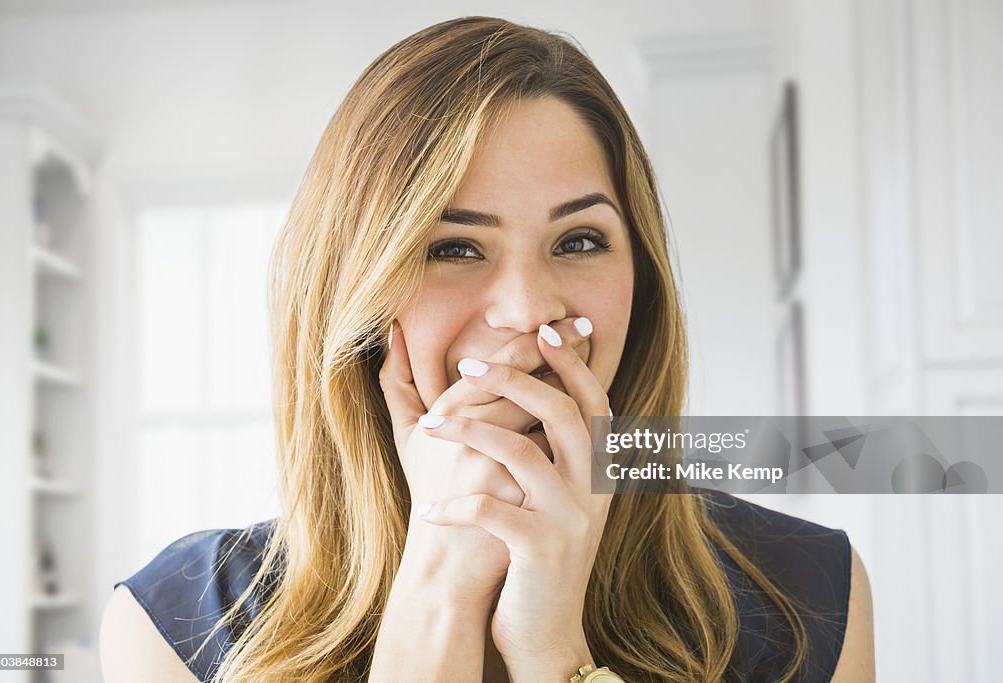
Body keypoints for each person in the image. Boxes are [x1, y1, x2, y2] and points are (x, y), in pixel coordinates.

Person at [99, 16, 875, 682]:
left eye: (578, 239)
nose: (530, 308)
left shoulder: (807, 592)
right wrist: (438, 590)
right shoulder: (179, 622)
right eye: (454, 248)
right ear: (357, 299)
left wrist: (554, 655)